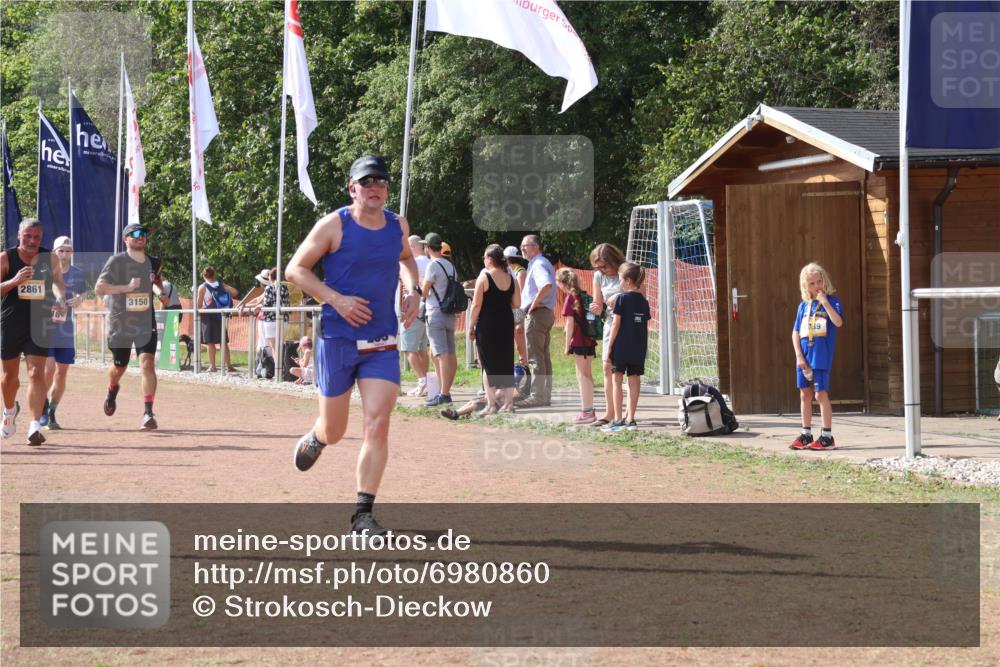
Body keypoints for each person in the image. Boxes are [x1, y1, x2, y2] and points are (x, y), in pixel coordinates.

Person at [284, 155, 420, 536]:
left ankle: (363, 515)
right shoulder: (334, 224)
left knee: (377, 422)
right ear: (353, 188)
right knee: (336, 429)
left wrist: (415, 291)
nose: (376, 187)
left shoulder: (397, 226)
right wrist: (336, 299)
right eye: (368, 181)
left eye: (382, 181)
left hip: (382, 340)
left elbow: (408, 260)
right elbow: (295, 269)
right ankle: (317, 437)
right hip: (338, 339)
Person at [1, 219, 65, 445]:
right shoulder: (6, 258)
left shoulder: (51, 258)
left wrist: (60, 298)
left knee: (36, 373)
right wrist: (14, 281)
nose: (32, 241)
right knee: (9, 377)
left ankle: (34, 426)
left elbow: (58, 283)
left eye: (36, 237)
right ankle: (9, 412)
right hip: (11, 323)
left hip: (39, 323)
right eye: (27, 236)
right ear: (19, 235)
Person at [95, 222, 164, 431]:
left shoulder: (154, 262)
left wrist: (161, 292)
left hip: (145, 322)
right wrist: (127, 288)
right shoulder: (116, 261)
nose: (140, 236)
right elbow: (99, 288)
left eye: (143, 233)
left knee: (148, 364)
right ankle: (112, 389)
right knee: (119, 367)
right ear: (126, 239)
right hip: (121, 323)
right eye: (135, 234)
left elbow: (156, 280)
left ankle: (148, 413)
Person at [789, 262, 844, 451]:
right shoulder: (803, 306)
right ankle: (806, 434)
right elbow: (796, 332)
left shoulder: (833, 301)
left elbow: (837, 322)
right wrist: (798, 355)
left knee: (820, 394)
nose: (816, 286)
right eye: (812, 283)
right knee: (804, 393)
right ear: (805, 286)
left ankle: (827, 436)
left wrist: (825, 302)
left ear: (824, 281)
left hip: (820, 356)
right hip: (804, 355)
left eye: (819, 282)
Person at [41, 236, 86, 430]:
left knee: (61, 374)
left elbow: (83, 292)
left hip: (66, 330)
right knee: (48, 370)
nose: (65, 254)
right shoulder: (44, 272)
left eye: (68, 251)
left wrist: (79, 300)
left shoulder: (77, 273)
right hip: (46, 329)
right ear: (54, 252)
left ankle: (52, 411)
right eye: (61, 250)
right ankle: (41, 408)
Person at [468, 244, 519, 415]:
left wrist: (470, 325)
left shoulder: (485, 277)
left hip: (487, 325)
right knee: (506, 362)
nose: (483, 260)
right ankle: (509, 404)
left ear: (490, 259)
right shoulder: (511, 278)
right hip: (506, 323)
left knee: (487, 365)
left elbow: (476, 305)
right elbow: (517, 304)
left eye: (484, 257)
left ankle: (491, 406)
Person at [605, 262, 650, 432]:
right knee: (634, 379)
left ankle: (617, 419)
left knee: (617, 379)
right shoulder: (643, 302)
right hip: (638, 346)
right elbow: (644, 326)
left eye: (620, 280)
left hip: (622, 346)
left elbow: (616, 325)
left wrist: (610, 347)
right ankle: (631, 419)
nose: (619, 283)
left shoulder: (621, 299)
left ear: (628, 281)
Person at [516, 234, 556, 408]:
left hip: (538, 314)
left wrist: (534, 304)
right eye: (522, 246)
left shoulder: (538, 264)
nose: (522, 248)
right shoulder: (540, 263)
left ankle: (537, 396)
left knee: (535, 358)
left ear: (536, 247)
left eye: (526, 245)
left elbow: (546, 285)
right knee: (543, 357)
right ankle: (544, 395)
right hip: (544, 313)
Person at [589, 243, 625, 428]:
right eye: (598, 267)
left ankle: (628, 413)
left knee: (628, 370)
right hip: (610, 325)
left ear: (613, 260)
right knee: (607, 367)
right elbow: (598, 305)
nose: (602, 270)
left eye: (605, 266)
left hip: (628, 326)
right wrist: (596, 308)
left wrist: (619, 299)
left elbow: (640, 296)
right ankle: (609, 412)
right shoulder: (598, 276)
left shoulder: (627, 270)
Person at [421, 232, 458, 407]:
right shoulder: (451, 266)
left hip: (435, 312)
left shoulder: (432, 265)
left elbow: (424, 291)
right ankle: (446, 391)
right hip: (450, 313)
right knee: (450, 354)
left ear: (428, 248)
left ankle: (444, 394)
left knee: (441, 355)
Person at [556, 267, 597, 424]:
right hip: (589, 340)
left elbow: (570, 323)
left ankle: (586, 412)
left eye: (558, 282)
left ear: (563, 283)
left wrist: (567, 346)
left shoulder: (570, 299)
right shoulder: (584, 296)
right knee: (588, 374)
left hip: (579, 341)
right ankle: (590, 409)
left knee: (582, 376)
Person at [399, 235, 430, 397]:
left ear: (412, 247)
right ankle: (425, 383)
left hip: (413, 307)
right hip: (426, 308)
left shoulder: (412, 263)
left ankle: (422, 381)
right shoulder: (430, 262)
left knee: (408, 348)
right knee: (422, 348)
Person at [196, 266, 239, 372]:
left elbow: (198, 305)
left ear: (203, 275)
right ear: (214, 274)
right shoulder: (221, 285)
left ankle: (213, 366)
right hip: (220, 315)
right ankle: (229, 365)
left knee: (210, 343)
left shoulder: (202, 287)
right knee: (223, 342)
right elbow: (235, 292)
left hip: (208, 316)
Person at [241, 268, 290, 355]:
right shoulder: (285, 288)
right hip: (283, 319)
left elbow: (262, 302)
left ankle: (274, 367)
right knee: (278, 347)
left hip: (269, 320)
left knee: (271, 347)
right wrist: (245, 305)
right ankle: (277, 366)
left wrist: (248, 306)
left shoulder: (269, 288)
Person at [504, 245, 529, 364]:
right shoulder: (509, 272)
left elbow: (520, 292)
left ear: (508, 259)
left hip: (519, 308)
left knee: (519, 334)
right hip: (511, 308)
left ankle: (524, 363)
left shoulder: (520, 272)